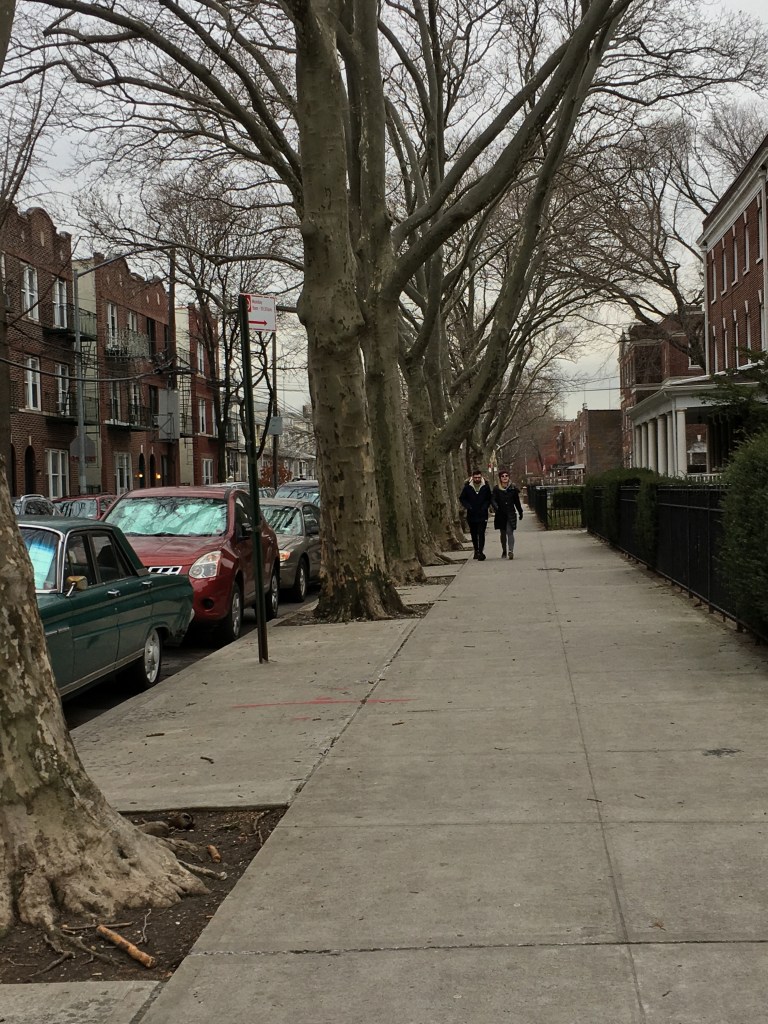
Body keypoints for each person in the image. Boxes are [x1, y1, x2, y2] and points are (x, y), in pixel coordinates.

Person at [459, 468, 493, 560]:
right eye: (475, 477)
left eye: (478, 477)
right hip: (472, 513)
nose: (477, 479)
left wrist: (485, 506)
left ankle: (481, 552)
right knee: (474, 533)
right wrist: (468, 506)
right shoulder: (467, 487)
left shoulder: (485, 486)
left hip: (482, 513)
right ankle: (476, 550)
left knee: (481, 533)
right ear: (472, 477)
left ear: (481, 477)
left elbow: (489, 498)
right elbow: (462, 498)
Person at [491, 470, 524, 559]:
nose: (505, 477)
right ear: (500, 478)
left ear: (509, 477)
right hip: (500, 514)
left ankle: (510, 551)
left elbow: (517, 502)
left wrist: (520, 512)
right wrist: (496, 507)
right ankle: (504, 550)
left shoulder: (513, 489)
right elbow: (493, 500)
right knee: (503, 533)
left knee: (510, 531)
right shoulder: (496, 489)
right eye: (503, 476)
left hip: (510, 513)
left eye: (506, 476)